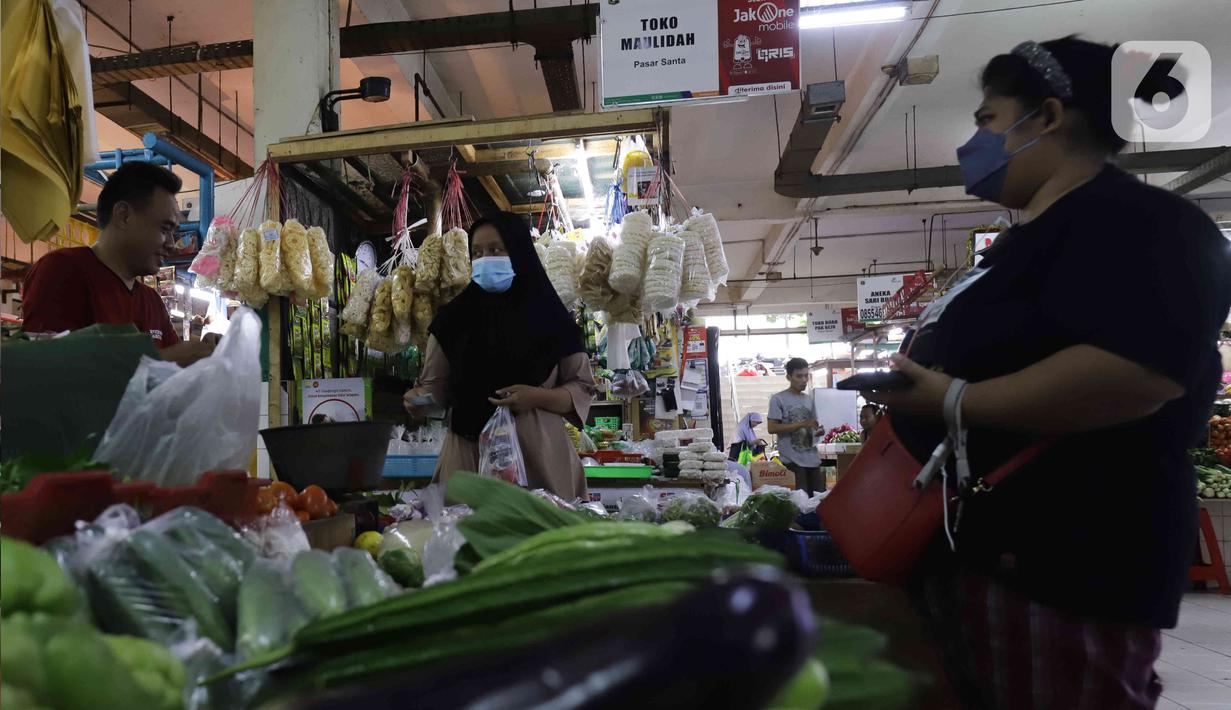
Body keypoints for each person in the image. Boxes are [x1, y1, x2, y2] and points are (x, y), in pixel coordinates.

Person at [861, 37, 1231, 708]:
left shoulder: (1145, 225)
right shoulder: (1019, 243)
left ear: (1048, 117)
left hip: (1064, 557)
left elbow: (1133, 375)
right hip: (981, 555)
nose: (974, 140)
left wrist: (950, 397)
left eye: (986, 119)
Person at [403, 212, 597, 499]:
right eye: (477, 253)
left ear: (518, 251)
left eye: (496, 250)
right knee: (466, 536)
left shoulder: (552, 319)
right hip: (467, 458)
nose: (485, 260)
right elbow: (437, 392)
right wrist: (418, 401)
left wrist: (535, 397)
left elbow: (581, 388)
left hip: (536, 458)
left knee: (541, 537)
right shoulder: (452, 320)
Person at [21, 162, 214, 367]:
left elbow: (168, 380)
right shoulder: (62, 271)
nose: (171, 244)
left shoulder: (151, 302)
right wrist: (165, 360)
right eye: (165, 229)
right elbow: (47, 372)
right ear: (124, 216)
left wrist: (203, 356)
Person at [767, 357, 822, 494]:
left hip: (813, 459)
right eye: (799, 376)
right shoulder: (778, 399)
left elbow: (813, 425)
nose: (804, 380)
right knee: (801, 503)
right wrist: (801, 424)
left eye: (806, 376)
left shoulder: (809, 399)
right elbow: (772, 428)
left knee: (818, 501)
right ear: (788, 377)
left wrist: (818, 430)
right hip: (792, 461)